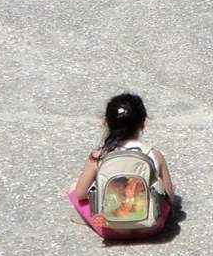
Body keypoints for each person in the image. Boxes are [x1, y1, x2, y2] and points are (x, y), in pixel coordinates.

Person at [68, 93, 176, 239]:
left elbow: (80, 194)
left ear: (105, 122)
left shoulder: (98, 156)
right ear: (143, 123)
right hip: (150, 228)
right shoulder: (153, 154)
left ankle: (92, 216)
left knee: (74, 189)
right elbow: (169, 197)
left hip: (111, 229)